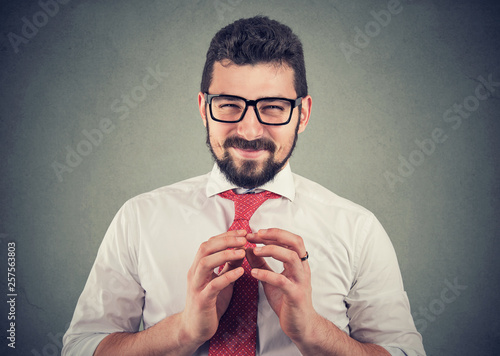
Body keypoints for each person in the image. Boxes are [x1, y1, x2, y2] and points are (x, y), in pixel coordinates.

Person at [62, 16, 425, 356]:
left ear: (303, 113)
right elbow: (80, 347)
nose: (249, 131)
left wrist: (314, 332)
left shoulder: (357, 229)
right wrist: (183, 332)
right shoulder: (139, 219)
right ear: (204, 108)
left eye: (272, 107)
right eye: (229, 105)